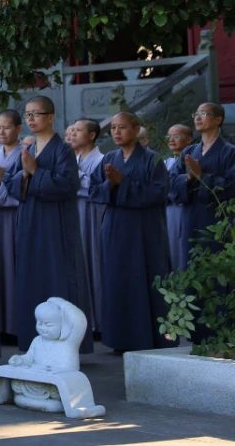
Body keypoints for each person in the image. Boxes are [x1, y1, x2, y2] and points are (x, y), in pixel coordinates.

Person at [5, 96, 93, 353]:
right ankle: (33, 341)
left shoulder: (63, 150)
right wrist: (23, 174)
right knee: (30, 274)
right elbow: (10, 184)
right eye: (28, 114)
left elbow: (67, 185)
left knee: (57, 274)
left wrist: (36, 172)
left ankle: (66, 342)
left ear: (51, 117)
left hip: (55, 221)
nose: (31, 119)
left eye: (37, 114)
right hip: (29, 220)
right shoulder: (28, 150)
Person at [88, 111, 175, 353]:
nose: (116, 132)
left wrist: (122, 184)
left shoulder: (152, 160)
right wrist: (110, 184)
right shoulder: (109, 159)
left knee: (147, 278)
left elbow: (158, 193)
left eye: (122, 127)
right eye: (113, 128)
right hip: (115, 228)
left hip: (144, 230)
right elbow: (94, 192)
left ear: (136, 130)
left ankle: (153, 338)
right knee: (118, 280)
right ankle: (121, 339)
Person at [169, 102, 234, 259]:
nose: (197, 117)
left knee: (217, 268)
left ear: (218, 120)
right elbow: (171, 182)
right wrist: (188, 178)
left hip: (217, 220)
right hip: (190, 217)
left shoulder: (230, 151)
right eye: (196, 114)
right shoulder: (189, 151)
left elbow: (231, 185)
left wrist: (202, 176)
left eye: (204, 114)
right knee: (189, 264)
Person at [0, 110, 24, 339]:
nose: (1, 132)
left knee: (14, 266)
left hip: (14, 214)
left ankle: (15, 324)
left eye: (7, 127)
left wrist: (4, 179)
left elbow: (25, 186)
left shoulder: (26, 154)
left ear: (18, 129)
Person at [69, 118, 105, 334]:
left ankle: (98, 321)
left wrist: (74, 176)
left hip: (90, 213)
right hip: (73, 212)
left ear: (92, 135)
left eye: (78, 131)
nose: (72, 134)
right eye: (71, 131)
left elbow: (97, 188)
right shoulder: (73, 159)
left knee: (93, 262)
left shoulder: (101, 159)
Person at [162, 123, 194, 270]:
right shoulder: (165, 162)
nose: (171, 140)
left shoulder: (192, 160)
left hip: (185, 208)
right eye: (169, 136)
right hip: (167, 210)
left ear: (188, 139)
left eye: (176, 136)